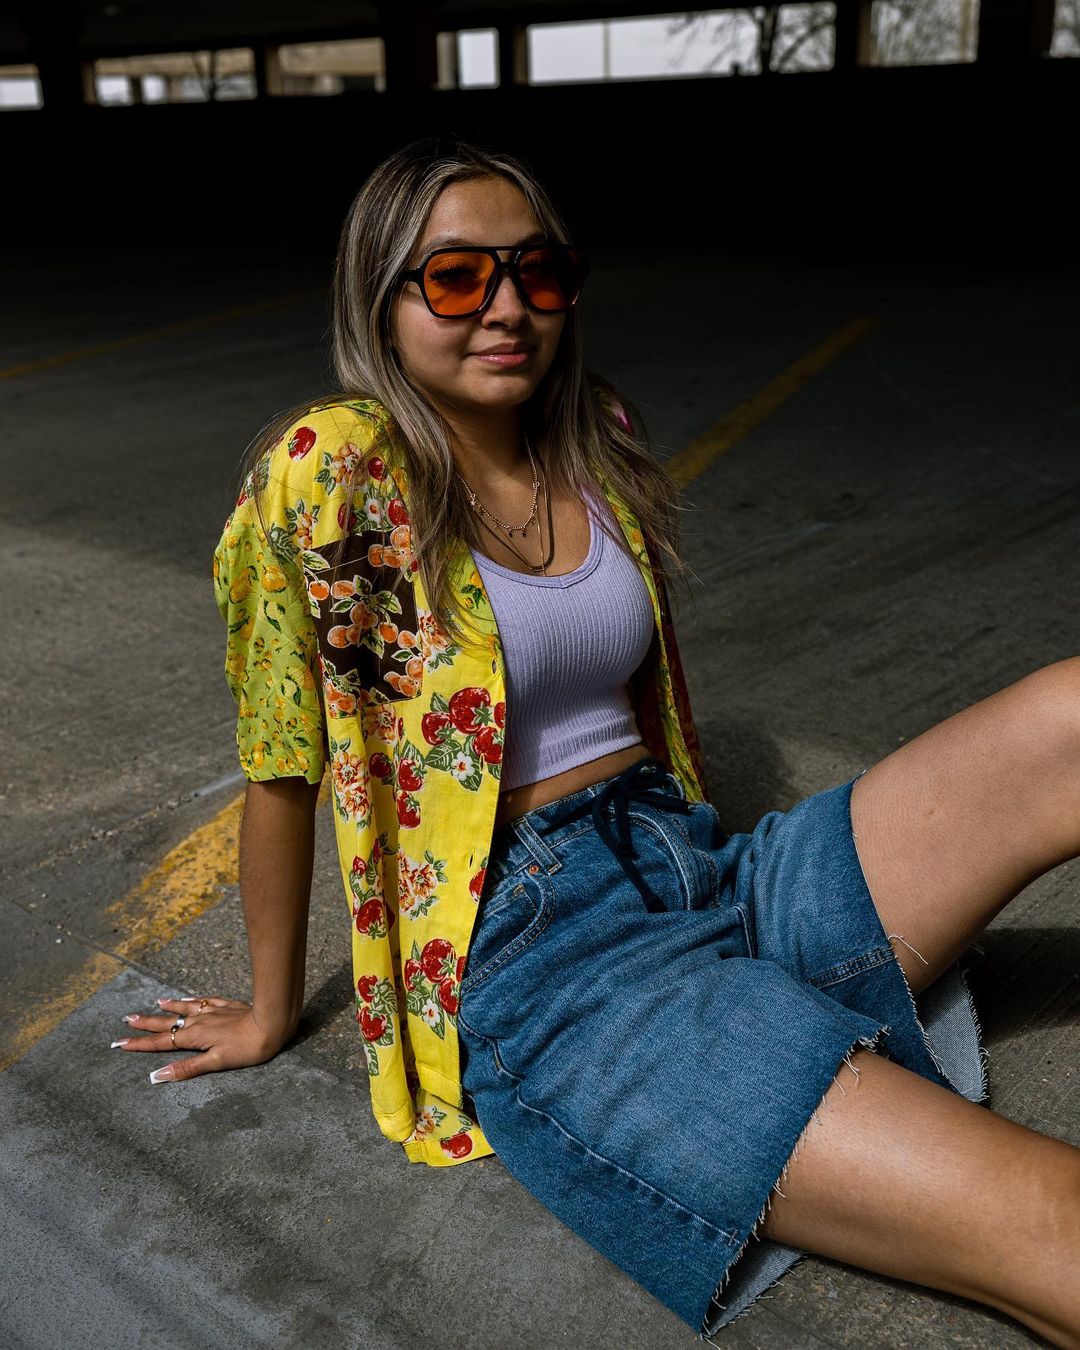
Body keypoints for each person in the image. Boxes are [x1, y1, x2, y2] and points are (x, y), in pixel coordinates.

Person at [114, 135, 1080, 1346]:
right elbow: (280, 758)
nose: (507, 307)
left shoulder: (591, 434)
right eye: (456, 277)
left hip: (701, 867)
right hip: (552, 962)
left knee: (1069, 715)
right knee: (1048, 1216)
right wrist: (270, 1009)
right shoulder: (331, 472)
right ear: (380, 299)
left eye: (537, 271)